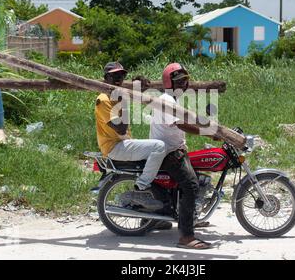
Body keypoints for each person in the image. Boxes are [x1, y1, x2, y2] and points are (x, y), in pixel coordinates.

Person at [149, 63, 220, 250]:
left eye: (185, 81)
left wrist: (209, 123)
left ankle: (187, 217)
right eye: (179, 81)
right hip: (168, 152)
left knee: (196, 177)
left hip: (174, 148)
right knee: (191, 186)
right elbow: (181, 124)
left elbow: (186, 120)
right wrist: (207, 132)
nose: (183, 84)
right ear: (169, 83)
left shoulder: (174, 99)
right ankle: (186, 236)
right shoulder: (166, 101)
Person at [94, 62, 167, 211]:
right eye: (115, 75)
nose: (119, 78)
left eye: (122, 75)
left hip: (123, 143)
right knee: (159, 147)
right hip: (114, 147)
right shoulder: (103, 100)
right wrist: (125, 100)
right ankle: (141, 188)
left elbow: (141, 92)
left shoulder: (117, 94)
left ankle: (160, 211)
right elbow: (121, 129)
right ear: (106, 77)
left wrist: (142, 85)